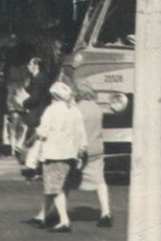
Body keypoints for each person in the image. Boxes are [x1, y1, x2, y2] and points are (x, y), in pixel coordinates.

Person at [32, 82, 87, 232]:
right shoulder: (75, 111)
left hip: (54, 154)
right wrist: (81, 151)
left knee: (55, 188)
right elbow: (81, 133)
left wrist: (33, 139)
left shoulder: (51, 110)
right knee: (56, 186)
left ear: (53, 96)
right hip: (71, 154)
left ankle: (64, 220)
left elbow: (43, 132)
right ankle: (42, 215)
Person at [73, 82, 113, 227]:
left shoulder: (78, 109)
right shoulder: (97, 108)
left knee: (63, 181)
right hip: (97, 148)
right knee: (100, 181)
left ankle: (52, 213)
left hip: (82, 150)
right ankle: (106, 211)